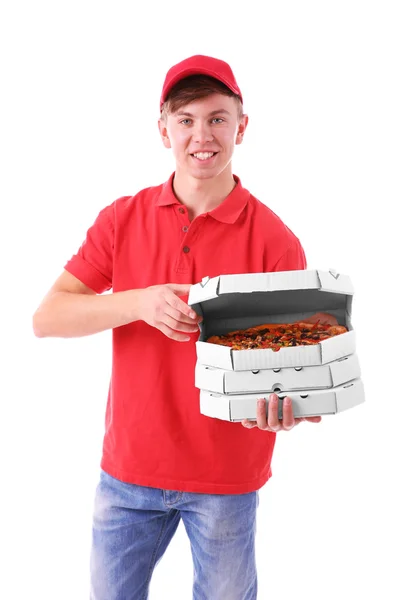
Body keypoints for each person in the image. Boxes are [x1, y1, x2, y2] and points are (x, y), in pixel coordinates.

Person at [33, 55, 330, 600]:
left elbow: (293, 374)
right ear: (163, 127)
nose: (202, 135)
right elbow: (48, 318)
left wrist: (288, 406)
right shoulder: (122, 219)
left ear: (241, 127)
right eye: (187, 118)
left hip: (225, 480)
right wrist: (138, 302)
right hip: (128, 473)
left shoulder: (275, 240)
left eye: (218, 118)